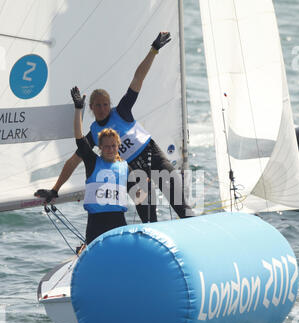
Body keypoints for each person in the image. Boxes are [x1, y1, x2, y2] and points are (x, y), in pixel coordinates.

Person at [35, 32, 194, 222]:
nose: (102, 108)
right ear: (91, 108)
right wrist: (55, 190)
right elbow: (73, 161)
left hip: (153, 156)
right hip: (133, 171)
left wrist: (154, 50)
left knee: (180, 204)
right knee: (148, 217)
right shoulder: (94, 133)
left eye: (105, 104)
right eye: (98, 105)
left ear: (110, 104)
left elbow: (138, 78)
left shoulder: (122, 111)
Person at [72, 88, 129, 244]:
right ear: (100, 147)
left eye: (113, 146)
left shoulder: (125, 167)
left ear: (118, 146)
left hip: (118, 224)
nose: (110, 149)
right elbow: (79, 137)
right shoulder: (92, 161)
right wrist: (78, 109)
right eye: (106, 146)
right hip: (96, 225)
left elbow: (140, 191)